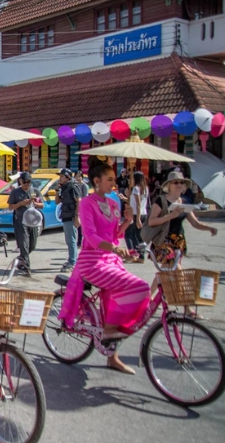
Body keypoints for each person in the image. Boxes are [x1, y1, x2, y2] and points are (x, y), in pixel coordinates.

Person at [59, 156, 151, 375]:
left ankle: (112, 355)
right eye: (109, 179)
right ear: (97, 181)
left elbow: (115, 234)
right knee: (140, 287)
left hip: (111, 260)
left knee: (116, 301)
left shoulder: (113, 203)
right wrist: (112, 247)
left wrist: (127, 221)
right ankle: (111, 331)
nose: (113, 183)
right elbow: (89, 236)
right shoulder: (87, 203)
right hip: (92, 262)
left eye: (113, 179)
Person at [147, 171, 217, 268]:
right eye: (176, 182)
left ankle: (161, 284)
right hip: (164, 239)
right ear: (169, 185)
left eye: (181, 182)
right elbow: (151, 221)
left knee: (168, 270)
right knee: (172, 268)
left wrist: (209, 228)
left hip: (179, 240)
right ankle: (181, 283)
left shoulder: (184, 201)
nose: (179, 185)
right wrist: (170, 216)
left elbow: (194, 223)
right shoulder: (161, 200)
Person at [8, 172, 43, 276]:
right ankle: (27, 268)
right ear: (20, 181)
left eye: (29, 182)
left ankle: (21, 259)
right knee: (24, 244)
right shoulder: (15, 192)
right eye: (25, 182)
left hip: (33, 221)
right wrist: (21, 203)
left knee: (32, 245)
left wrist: (35, 203)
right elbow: (10, 207)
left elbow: (42, 205)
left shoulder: (35, 191)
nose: (27, 184)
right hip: (21, 220)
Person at [56, 168, 81, 273]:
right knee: (68, 240)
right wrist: (57, 190)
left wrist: (77, 216)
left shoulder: (73, 186)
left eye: (62, 176)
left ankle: (73, 262)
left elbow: (79, 201)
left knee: (71, 241)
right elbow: (57, 202)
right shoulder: (64, 187)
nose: (60, 178)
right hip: (65, 215)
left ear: (67, 177)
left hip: (71, 216)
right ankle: (72, 260)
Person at [126, 171, 149, 263]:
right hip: (144, 213)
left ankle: (132, 254)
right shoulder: (145, 188)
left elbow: (138, 204)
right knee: (138, 236)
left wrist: (138, 218)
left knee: (128, 234)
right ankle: (140, 256)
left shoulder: (136, 188)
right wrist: (127, 197)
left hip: (136, 214)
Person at [74, 170, 88, 247]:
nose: (78, 178)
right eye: (76, 176)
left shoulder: (84, 186)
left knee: (81, 225)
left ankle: (80, 242)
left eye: (80, 176)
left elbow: (85, 198)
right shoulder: (74, 185)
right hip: (75, 206)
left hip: (82, 207)